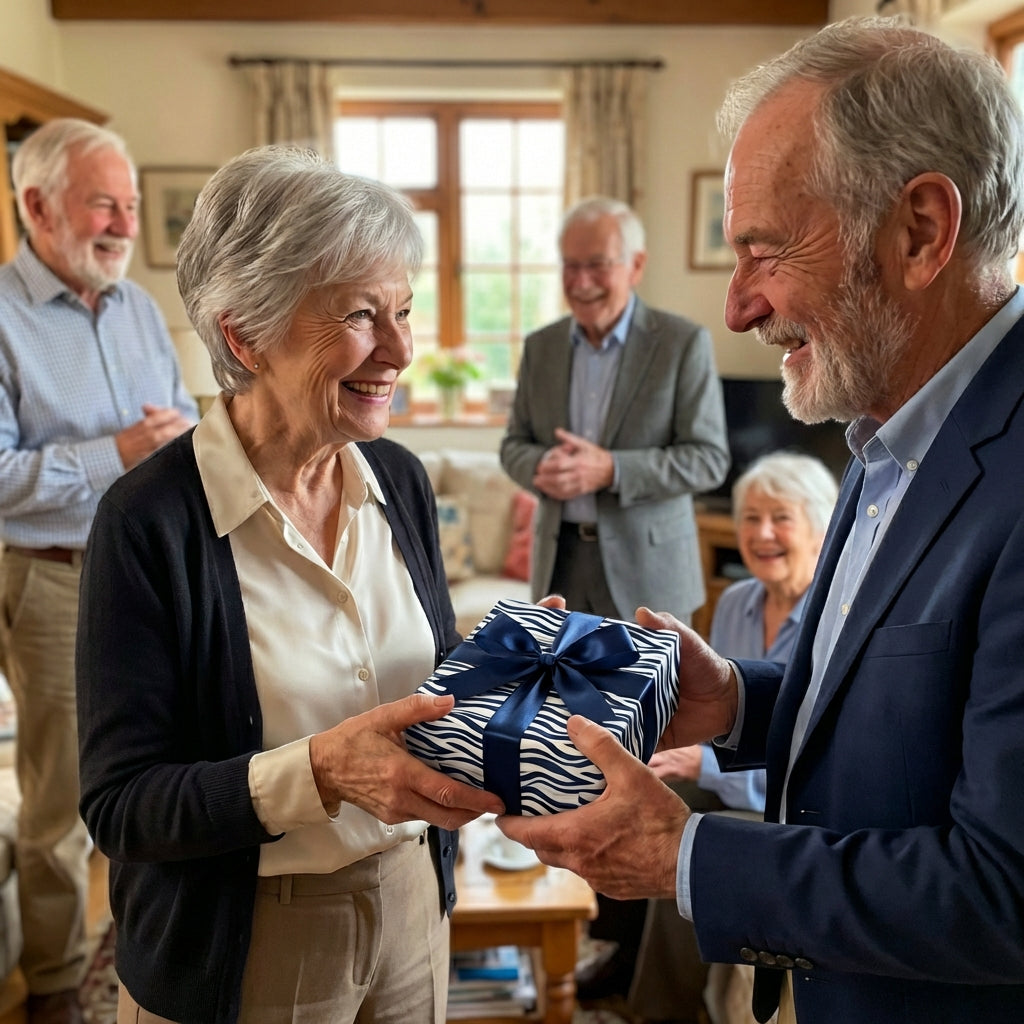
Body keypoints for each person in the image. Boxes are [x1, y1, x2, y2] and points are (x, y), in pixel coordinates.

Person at [497, 16, 1024, 1024]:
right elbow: (902, 713)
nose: (736, 306)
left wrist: (682, 854)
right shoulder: (880, 433)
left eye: (764, 250)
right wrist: (739, 699)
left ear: (919, 230)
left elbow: (1001, 890)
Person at [76, 146, 504, 1024]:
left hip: (411, 906)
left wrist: (512, 665)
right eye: (359, 314)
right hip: (247, 942)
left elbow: (428, 672)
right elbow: (122, 806)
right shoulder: (148, 521)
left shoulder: (400, 479)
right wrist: (318, 771)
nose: (400, 350)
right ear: (245, 334)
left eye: (404, 311)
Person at [499, 195, 729, 996]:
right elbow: (514, 443)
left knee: (644, 763)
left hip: (649, 586)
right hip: (565, 578)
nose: (582, 280)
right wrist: (541, 470)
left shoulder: (683, 342)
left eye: (597, 263)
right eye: (569, 264)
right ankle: (586, 928)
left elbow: (707, 459)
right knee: (566, 758)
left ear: (633, 266)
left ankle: (635, 954)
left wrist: (612, 471)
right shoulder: (538, 348)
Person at [0, 118, 198, 1024]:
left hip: (158, 575)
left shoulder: (137, 307)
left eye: (128, 203)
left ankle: (150, 949)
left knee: (159, 770)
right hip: (53, 581)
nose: (121, 222)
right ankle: (51, 988)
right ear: (36, 205)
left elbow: (186, 416)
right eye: (102, 203)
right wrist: (114, 454)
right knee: (58, 803)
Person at [629, 451, 837, 1024]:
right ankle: (651, 997)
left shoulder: (834, 619)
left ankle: (660, 1012)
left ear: (821, 530)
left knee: (691, 844)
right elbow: (716, 717)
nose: (762, 533)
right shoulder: (740, 601)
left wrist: (704, 766)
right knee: (649, 804)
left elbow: (816, 758)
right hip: (738, 788)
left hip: (799, 809)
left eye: (781, 518)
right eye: (749, 518)